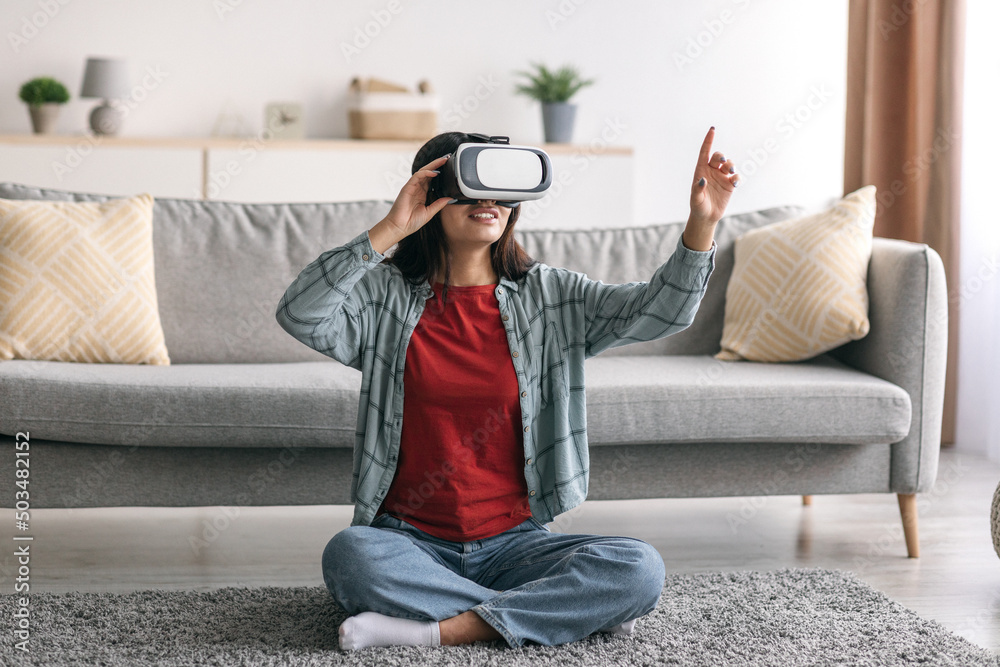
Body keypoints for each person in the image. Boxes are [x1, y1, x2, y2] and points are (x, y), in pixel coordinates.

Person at [275, 128, 738, 650]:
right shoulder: (384, 298)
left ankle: (437, 629)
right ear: (430, 194)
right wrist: (389, 227)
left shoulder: (552, 296)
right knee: (350, 557)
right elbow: (299, 312)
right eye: (472, 185)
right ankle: (557, 612)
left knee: (639, 568)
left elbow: (661, 311)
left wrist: (703, 224)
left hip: (515, 545)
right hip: (407, 539)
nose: (489, 201)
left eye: (501, 189)